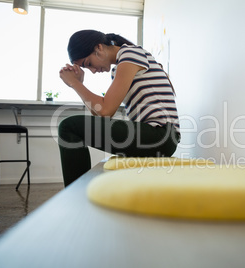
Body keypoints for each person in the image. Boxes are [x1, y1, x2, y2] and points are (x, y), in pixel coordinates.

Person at [58, 30, 180, 187]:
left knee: (68, 127)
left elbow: (105, 110)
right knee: (71, 128)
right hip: (157, 136)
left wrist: (75, 84)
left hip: (161, 135)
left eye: (89, 64)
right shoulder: (120, 66)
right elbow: (102, 115)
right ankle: (77, 193)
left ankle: (75, 194)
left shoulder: (130, 54)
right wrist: (79, 83)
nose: (93, 71)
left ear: (99, 48)